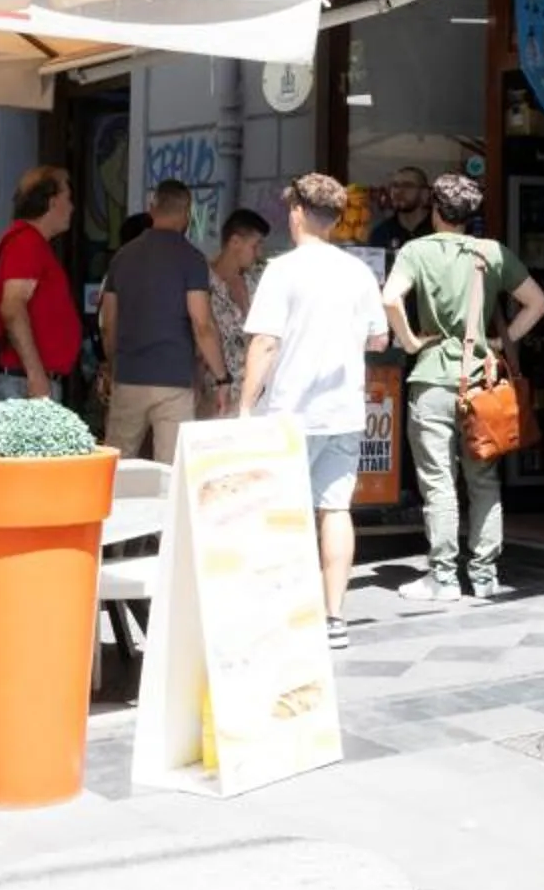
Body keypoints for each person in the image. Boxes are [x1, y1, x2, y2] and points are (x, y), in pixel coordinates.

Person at [239, 173, 388, 653]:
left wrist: (244, 408)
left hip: (290, 412)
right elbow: (378, 337)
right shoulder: (357, 272)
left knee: (284, 512)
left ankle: (282, 611)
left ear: (298, 212)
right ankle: (334, 618)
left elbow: (264, 341)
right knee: (335, 509)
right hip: (344, 408)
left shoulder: (282, 270)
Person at [383, 173, 544, 604]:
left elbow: (389, 299)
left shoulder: (416, 251)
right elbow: (538, 302)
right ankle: (485, 574)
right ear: (470, 215)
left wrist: (411, 341)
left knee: (438, 483)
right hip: (482, 383)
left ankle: (443, 577)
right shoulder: (491, 252)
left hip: (432, 381)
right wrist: (500, 339)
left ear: (436, 209)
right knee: (483, 481)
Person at [97, 180, 224, 462]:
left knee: (119, 466)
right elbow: (202, 324)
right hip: (174, 380)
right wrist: (221, 377)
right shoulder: (192, 259)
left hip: (129, 376)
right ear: (186, 213)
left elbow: (108, 323)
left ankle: (118, 508)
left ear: (151, 209)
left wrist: (115, 363)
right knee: (171, 470)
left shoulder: (122, 258)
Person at [0, 166, 80, 402]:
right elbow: (12, 308)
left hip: (24, 381)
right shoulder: (27, 243)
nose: (72, 207)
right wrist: (36, 374)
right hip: (24, 384)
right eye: (68, 198)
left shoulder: (26, 241)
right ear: (52, 202)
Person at [202, 207, 271, 418]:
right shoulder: (202, 281)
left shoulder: (257, 279)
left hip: (257, 392)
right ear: (234, 242)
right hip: (216, 393)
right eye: (255, 245)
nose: (259, 252)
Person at [364, 167, 434, 257]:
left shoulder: (438, 230)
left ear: (425, 193)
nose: (399, 191)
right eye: (395, 186)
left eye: (408, 186)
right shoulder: (381, 233)